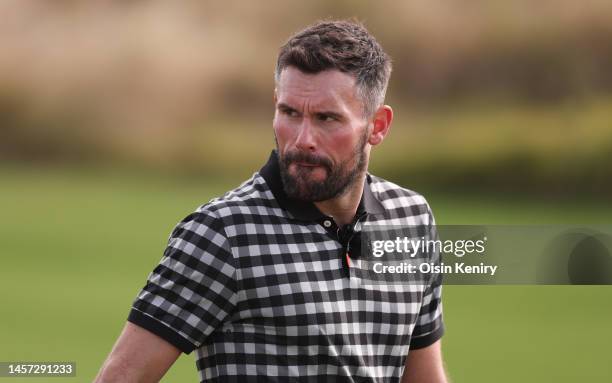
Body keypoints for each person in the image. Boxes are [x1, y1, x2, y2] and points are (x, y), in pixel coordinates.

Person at [95, 20, 448, 383]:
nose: (302, 139)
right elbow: (122, 377)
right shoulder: (222, 233)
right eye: (290, 113)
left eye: (327, 118)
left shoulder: (412, 220)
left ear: (378, 126)